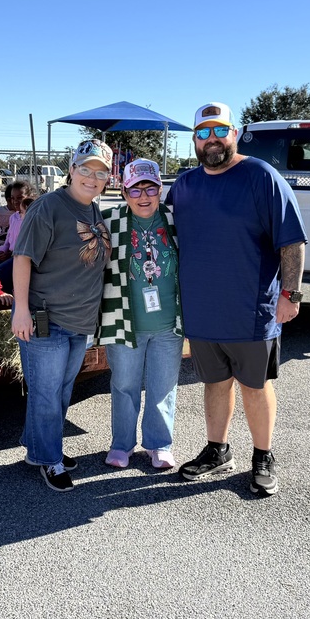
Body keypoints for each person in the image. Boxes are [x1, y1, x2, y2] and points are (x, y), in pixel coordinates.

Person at [166, 102, 307, 497]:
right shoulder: (186, 184)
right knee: (214, 383)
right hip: (203, 311)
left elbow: (292, 241)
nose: (211, 140)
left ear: (235, 132)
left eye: (219, 130)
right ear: (194, 139)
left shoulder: (261, 176)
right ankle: (217, 450)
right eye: (202, 133)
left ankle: (262, 455)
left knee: (254, 385)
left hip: (251, 309)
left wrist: (291, 293)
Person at [11, 139, 113, 492]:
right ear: (71, 170)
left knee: (60, 390)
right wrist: (21, 310)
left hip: (78, 320)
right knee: (46, 391)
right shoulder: (49, 207)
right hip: (45, 316)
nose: (91, 177)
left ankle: (39, 448)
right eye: (85, 169)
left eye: (100, 172)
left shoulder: (94, 210)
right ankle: (49, 459)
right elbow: (22, 257)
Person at [98, 159, 183, 470]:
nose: (143, 195)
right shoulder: (109, 221)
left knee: (163, 386)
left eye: (151, 188)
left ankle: (159, 444)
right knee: (124, 385)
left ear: (160, 190)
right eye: (136, 188)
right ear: (124, 192)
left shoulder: (176, 220)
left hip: (168, 324)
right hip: (124, 321)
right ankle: (121, 445)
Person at [0, 181, 32, 257]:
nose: (15, 202)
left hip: (18, 254)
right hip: (0, 247)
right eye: (12, 198)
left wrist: (9, 253)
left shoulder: (30, 217)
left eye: (19, 198)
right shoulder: (11, 216)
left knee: (0, 268)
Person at [0, 195, 34, 293]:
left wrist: (10, 254)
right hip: (11, 253)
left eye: (22, 212)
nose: (19, 214)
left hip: (20, 256)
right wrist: (2, 250)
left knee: (2, 270)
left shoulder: (31, 226)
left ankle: (9, 294)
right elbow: (8, 238)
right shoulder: (14, 218)